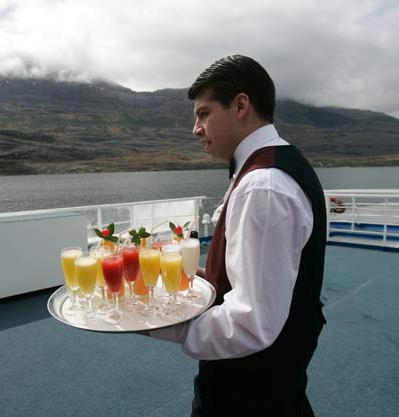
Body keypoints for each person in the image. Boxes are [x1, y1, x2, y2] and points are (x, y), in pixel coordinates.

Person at [150, 55, 327, 416]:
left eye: (203, 114)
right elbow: (260, 280)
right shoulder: (273, 166)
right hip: (273, 384)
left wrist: (151, 319)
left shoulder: (263, 187)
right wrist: (206, 278)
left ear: (241, 105)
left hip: (248, 395)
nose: (196, 129)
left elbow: (250, 325)